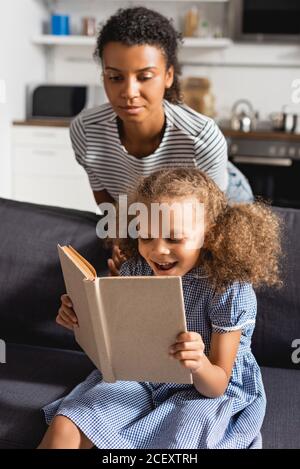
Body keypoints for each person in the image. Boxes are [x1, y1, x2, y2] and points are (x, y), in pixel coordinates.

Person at [39, 168, 281, 449]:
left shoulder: (227, 289)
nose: (157, 251)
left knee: (183, 438)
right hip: (142, 376)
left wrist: (199, 363)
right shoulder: (137, 269)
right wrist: (83, 320)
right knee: (67, 424)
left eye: (174, 239)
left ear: (210, 235)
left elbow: (216, 386)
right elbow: (119, 353)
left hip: (204, 388)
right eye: (146, 236)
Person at [68, 6, 253, 277]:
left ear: (168, 76)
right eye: (115, 77)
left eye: (144, 77)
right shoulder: (86, 132)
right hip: (151, 210)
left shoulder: (202, 137)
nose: (129, 92)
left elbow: (208, 222)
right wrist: (125, 245)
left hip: (220, 196)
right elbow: (108, 201)